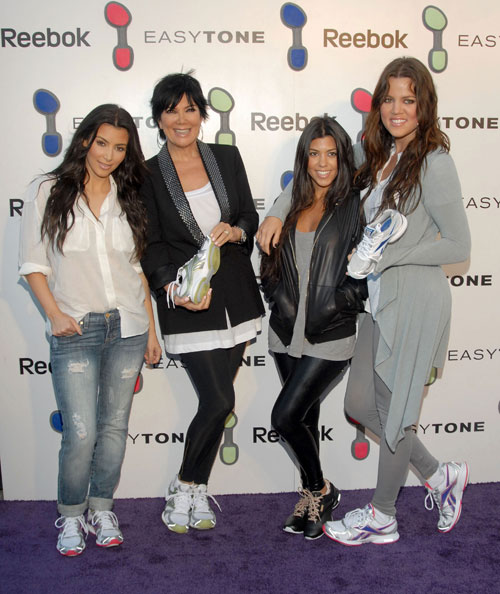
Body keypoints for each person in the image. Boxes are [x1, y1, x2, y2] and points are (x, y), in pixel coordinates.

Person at [257, 57, 471, 545]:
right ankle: (439, 475)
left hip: (414, 299)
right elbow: (315, 175)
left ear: (424, 106)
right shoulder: (376, 154)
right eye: (389, 99)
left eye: (408, 100)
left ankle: (382, 515)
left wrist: (389, 256)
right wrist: (275, 211)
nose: (397, 109)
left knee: (395, 413)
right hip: (377, 303)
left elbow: (458, 245)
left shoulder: (435, 162)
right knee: (359, 405)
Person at [19, 104, 162, 556]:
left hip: (129, 327)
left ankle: (102, 507)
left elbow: (136, 271)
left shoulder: (129, 197)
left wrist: (152, 332)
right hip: (75, 330)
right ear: (84, 140)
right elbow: (33, 265)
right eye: (102, 143)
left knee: (114, 428)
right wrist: (54, 315)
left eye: (119, 148)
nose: (109, 155)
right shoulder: (48, 191)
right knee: (80, 432)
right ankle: (70, 514)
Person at [140, 72, 264, 534]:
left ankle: (193, 489)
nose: (181, 119)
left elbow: (248, 214)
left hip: (236, 297)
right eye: (171, 110)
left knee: (216, 403)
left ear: (201, 115)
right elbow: (151, 245)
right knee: (219, 399)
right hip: (189, 301)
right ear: (158, 118)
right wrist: (173, 291)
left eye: (190, 109)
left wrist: (237, 230)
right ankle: (185, 483)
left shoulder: (226, 157)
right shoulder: (147, 174)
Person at [260, 116, 367, 540]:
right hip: (286, 331)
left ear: (344, 157)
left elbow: (366, 272)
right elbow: (269, 262)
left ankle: (322, 489)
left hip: (331, 333)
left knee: (284, 417)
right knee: (305, 417)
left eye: (332, 154)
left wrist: (341, 303)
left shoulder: (357, 203)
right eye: (314, 154)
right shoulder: (290, 204)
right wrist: (279, 298)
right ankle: (312, 499)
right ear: (303, 159)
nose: (323, 163)